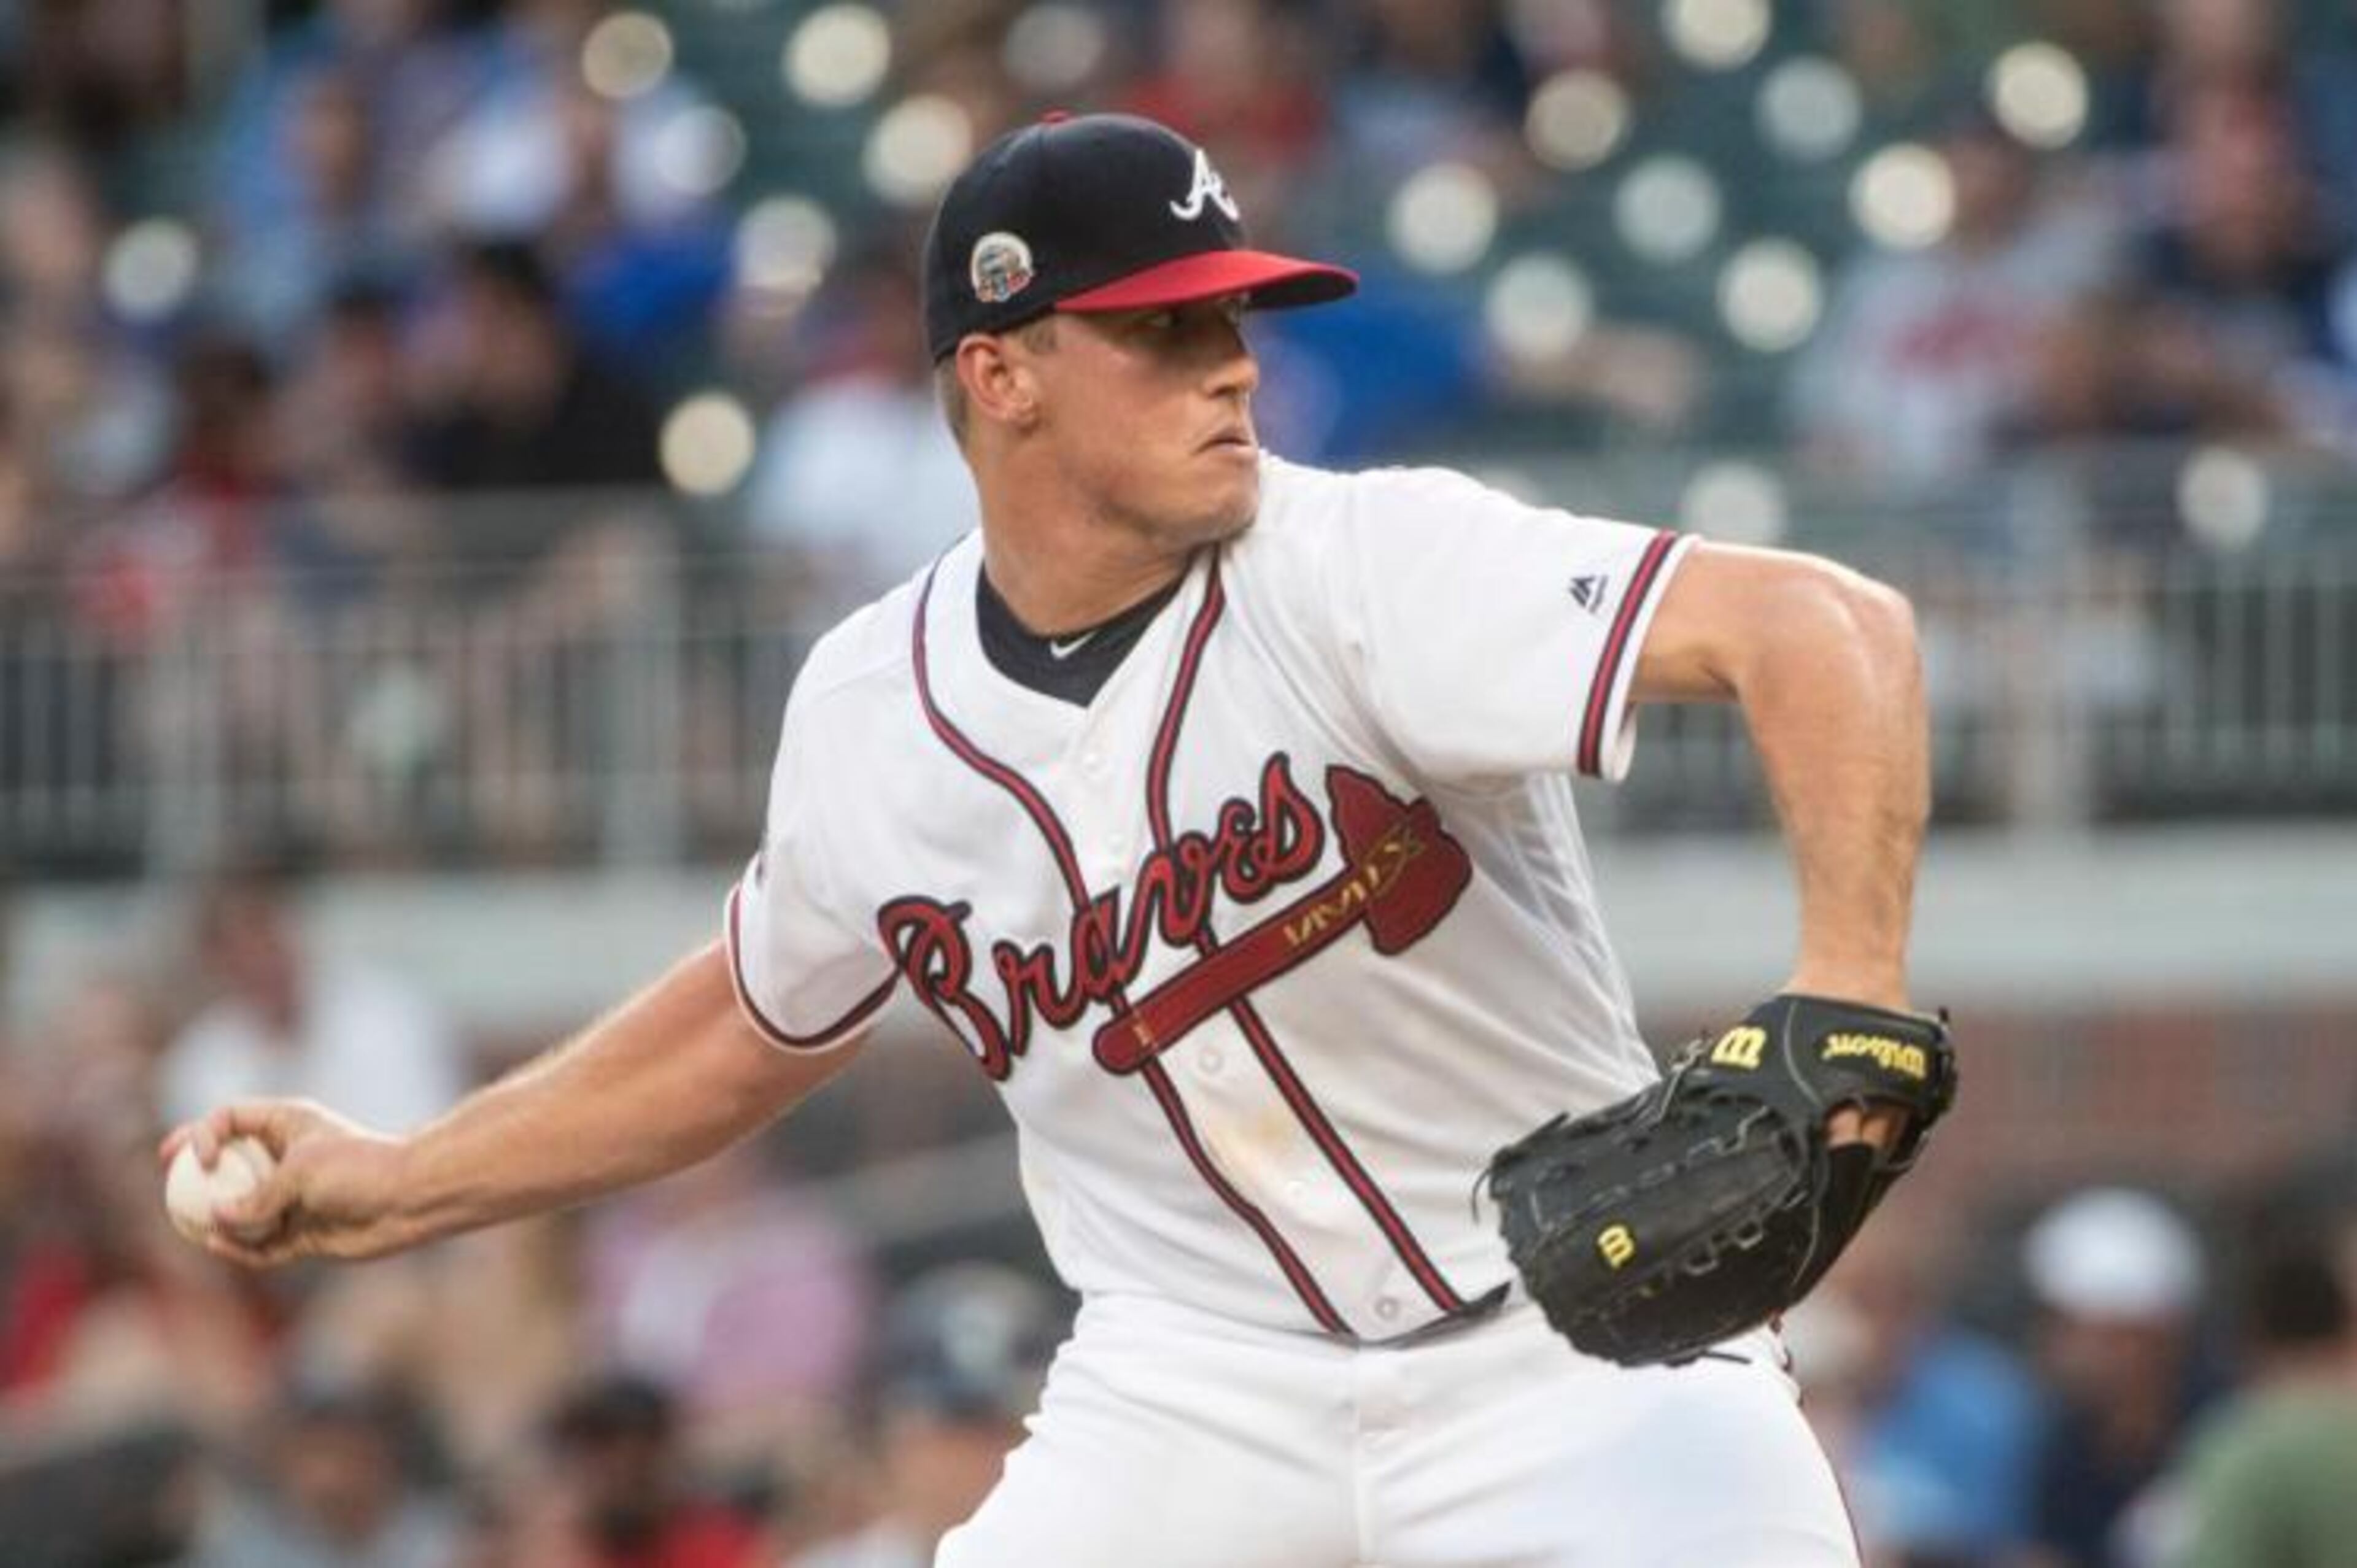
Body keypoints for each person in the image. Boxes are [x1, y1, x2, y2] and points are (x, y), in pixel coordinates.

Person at [165, 113, 1938, 1566]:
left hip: (1576, 1348)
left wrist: (1847, 982)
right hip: (1196, 1385)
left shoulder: (1361, 566)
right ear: (1001, 375)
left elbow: (1825, 628)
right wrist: (396, 1181)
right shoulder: (872, 710)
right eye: (1163, 328)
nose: (1229, 368)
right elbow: (742, 1024)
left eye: (1233, 321)